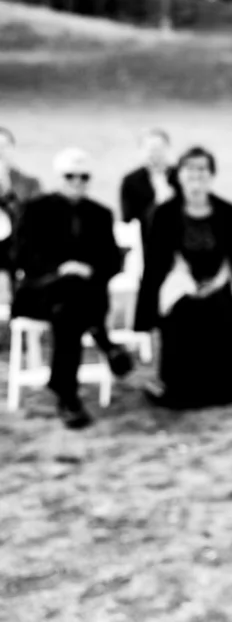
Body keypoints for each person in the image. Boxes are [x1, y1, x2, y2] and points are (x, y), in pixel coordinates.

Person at [134, 146, 232, 409]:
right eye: (190, 168)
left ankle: (222, 389)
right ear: (180, 174)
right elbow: (153, 266)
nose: (196, 174)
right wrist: (145, 318)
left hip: (220, 284)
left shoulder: (228, 213)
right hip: (180, 285)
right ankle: (179, 390)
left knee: (222, 314)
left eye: (203, 169)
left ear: (212, 175)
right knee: (182, 314)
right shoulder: (164, 214)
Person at [11, 148, 133, 428]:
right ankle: (104, 342)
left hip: (80, 298)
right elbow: (22, 256)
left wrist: (87, 269)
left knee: (69, 309)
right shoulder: (36, 209)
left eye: (83, 176)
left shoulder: (99, 214)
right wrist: (60, 268)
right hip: (42, 292)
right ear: (59, 177)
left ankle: (66, 394)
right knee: (69, 293)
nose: (77, 182)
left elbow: (112, 260)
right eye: (70, 176)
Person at [120, 128, 178, 245]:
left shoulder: (180, 176)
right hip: (145, 240)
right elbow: (128, 219)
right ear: (141, 151)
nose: (154, 154)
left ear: (168, 149)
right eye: (150, 149)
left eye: (159, 149)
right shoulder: (131, 181)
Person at [0, 126, 42, 283]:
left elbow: (34, 217)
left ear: (12, 149)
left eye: (3, 146)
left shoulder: (30, 183)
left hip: (18, 247)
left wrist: (8, 188)